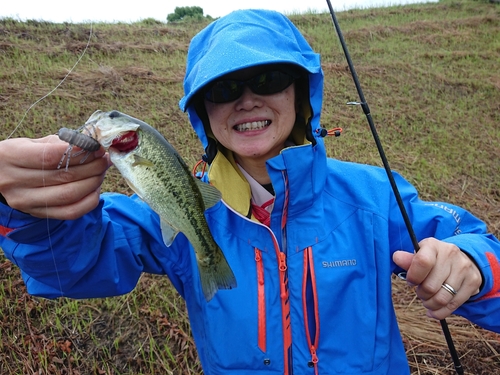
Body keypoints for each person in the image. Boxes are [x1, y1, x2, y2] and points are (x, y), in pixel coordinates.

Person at [0, 8, 499, 375]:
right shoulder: (168, 209)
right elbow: (75, 265)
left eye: (269, 77)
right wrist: (26, 209)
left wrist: (474, 264)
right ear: (204, 114)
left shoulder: (374, 196)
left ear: (301, 92)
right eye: (222, 90)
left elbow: (475, 244)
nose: (246, 100)